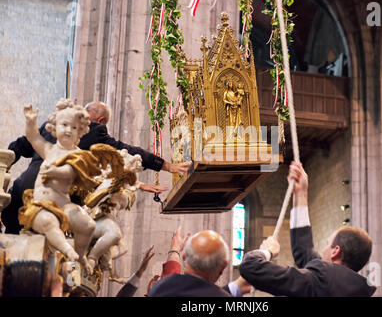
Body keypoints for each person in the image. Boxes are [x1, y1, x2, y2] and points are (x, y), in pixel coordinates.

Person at [3, 100, 192, 234]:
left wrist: (4, 172)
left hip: (20, 193)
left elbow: (16, 148)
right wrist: (166, 166)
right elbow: (127, 152)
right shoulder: (94, 131)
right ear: (100, 121)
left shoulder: (50, 125)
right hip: (55, 202)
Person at [239, 161, 376, 297]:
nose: (323, 250)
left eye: (327, 243)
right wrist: (300, 194)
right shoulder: (358, 289)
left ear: (335, 251)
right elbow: (304, 251)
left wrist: (267, 251)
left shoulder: (323, 278)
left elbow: (251, 266)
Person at [20, 100, 96, 264]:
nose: (69, 130)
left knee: (88, 225)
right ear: (55, 127)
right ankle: (68, 252)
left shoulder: (79, 154)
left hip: (63, 206)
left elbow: (70, 171)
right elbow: (33, 138)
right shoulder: (49, 149)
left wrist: (55, 171)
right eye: (64, 125)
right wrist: (30, 121)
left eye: (74, 127)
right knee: (48, 222)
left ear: (80, 131)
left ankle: (81, 255)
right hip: (40, 204)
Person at [148, 230, 232, 297]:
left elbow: (170, 283)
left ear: (184, 257)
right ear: (223, 267)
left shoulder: (160, 289)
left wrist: (175, 251)